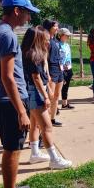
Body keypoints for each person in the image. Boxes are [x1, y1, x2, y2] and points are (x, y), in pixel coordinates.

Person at [0, 0, 39, 188]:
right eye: (27, 13)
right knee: (12, 148)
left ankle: (11, 187)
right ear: (16, 10)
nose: (28, 17)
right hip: (9, 100)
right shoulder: (7, 35)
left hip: (1, 98)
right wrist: (22, 111)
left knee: (12, 146)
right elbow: (8, 77)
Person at [21, 26, 72, 169]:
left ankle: (35, 153)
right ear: (37, 39)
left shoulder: (30, 52)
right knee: (47, 127)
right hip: (36, 92)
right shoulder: (33, 54)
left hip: (33, 91)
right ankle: (54, 160)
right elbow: (36, 77)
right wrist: (46, 96)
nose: (48, 43)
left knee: (35, 124)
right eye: (45, 40)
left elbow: (42, 74)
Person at [43, 20, 63, 127]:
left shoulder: (55, 40)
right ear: (49, 27)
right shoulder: (46, 40)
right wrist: (48, 75)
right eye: (55, 26)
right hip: (51, 70)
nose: (57, 28)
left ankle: (52, 119)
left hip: (59, 70)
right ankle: (44, 122)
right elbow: (45, 59)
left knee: (56, 97)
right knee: (49, 97)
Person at [58, 28, 75, 110]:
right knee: (58, 88)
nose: (68, 37)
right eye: (67, 35)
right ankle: (54, 106)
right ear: (61, 35)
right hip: (61, 70)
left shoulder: (67, 45)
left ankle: (64, 104)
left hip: (68, 69)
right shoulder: (57, 45)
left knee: (66, 87)